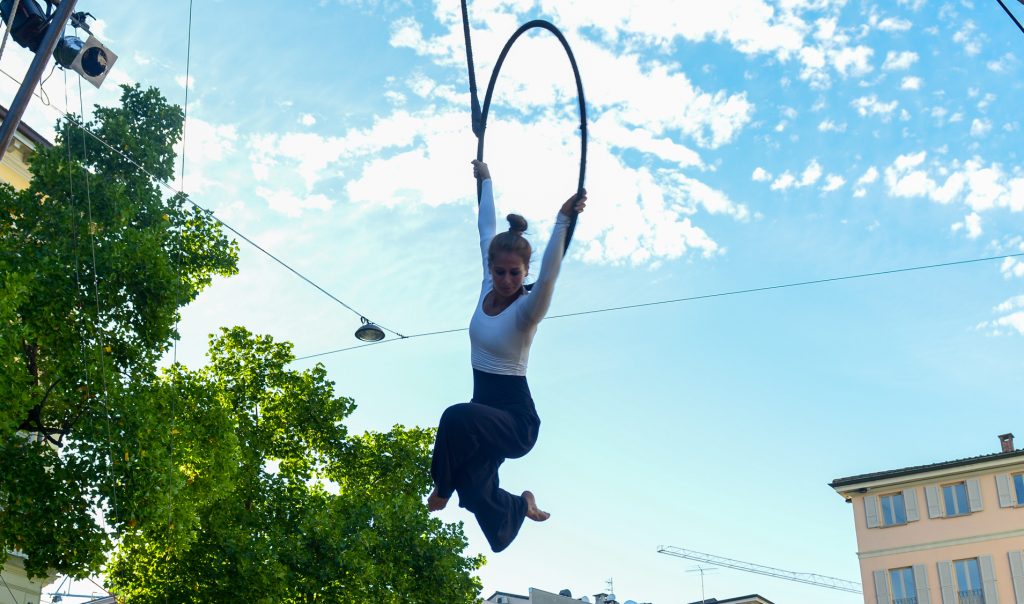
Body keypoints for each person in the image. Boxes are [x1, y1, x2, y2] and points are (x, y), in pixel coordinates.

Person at [427, 159, 586, 553]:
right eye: (500, 272)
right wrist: (485, 181)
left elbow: (550, 274)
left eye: (515, 273)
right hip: (485, 415)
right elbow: (485, 228)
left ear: (523, 271)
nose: (507, 280)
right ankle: (518, 507)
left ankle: (441, 489)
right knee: (473, 484)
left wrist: (564, 220)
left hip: (515, 422)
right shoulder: (486, 285)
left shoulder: (527, 310)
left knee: (454, 415)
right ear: (491, 268)